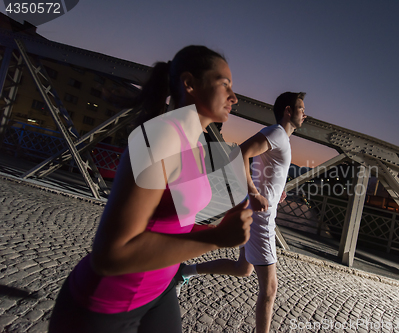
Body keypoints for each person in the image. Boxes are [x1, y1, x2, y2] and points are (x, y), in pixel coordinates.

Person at [48, 45, 253, 333]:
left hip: (159, 291)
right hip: (108, 305)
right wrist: (217, 239)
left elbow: (171, 227)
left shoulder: (195, 144)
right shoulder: (161, 137)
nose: (234, 97)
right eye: (225, 84)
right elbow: (111, 255)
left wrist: (220, 231)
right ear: (189, 83)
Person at [178, 92, 307, 333]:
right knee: (269, 290)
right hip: (260, 219)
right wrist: (254, 193)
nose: (305, 113)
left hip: (258, 213)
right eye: (301, 108)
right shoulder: (277, 132)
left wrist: (275, 191)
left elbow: (263, 168)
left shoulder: (282, 139)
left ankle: (185, 271)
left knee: (243, 269)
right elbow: (239, 154)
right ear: (288, 110)